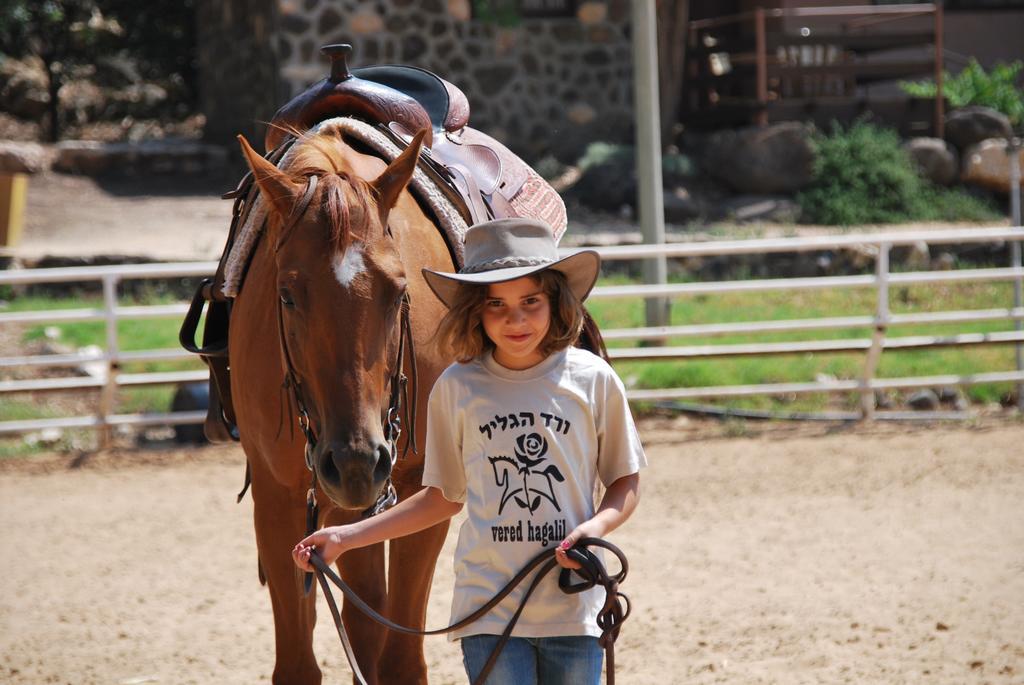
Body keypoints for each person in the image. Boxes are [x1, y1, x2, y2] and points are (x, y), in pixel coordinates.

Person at [293, 217, 646, 684]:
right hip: (487, 607)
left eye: (530, 302)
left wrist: (593, 529)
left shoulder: (592, 379)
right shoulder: (457, 387)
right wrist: (346, 538)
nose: (515, 319)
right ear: (475, 310)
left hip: (574, 603)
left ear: (555, 301)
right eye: (496, 304)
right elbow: (443, 496)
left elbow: (626, 479)